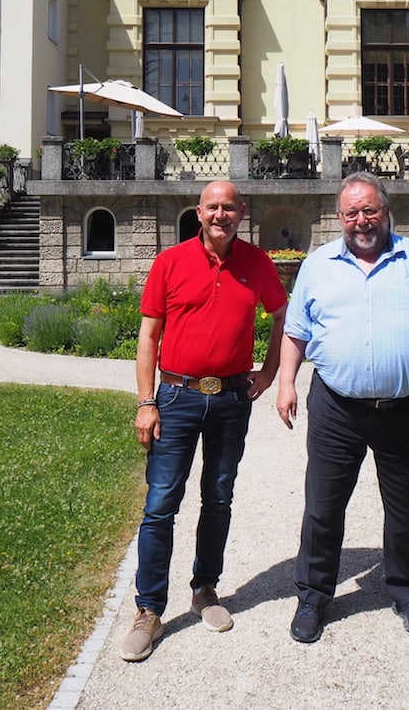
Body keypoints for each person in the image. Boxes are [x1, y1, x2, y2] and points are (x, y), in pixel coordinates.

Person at [276, 172, 409, 643]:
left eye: (370, 210)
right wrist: (286, 383)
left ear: (386, 211)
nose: (361, 221)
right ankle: (313, 598)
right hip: (335, 409)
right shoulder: (318, 264)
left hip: (404, 409)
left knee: (404, 507)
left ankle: (408, 592)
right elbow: (295, 330)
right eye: (351, 213)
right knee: (323, 507)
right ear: (339, 218)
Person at [121, 180, 287, 662]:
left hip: (232, 397)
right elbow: (149, 335)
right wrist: (145, 401)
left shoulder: (256, 263)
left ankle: (205, 589)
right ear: (199, 213)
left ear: (242, 212)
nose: (221, 215)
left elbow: (282, 315)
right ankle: (149, 610)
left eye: (229, 208)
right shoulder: (169, 262)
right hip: (175, 397)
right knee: (161, 503)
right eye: (213, 207)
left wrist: (270, 371)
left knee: (218, 497)